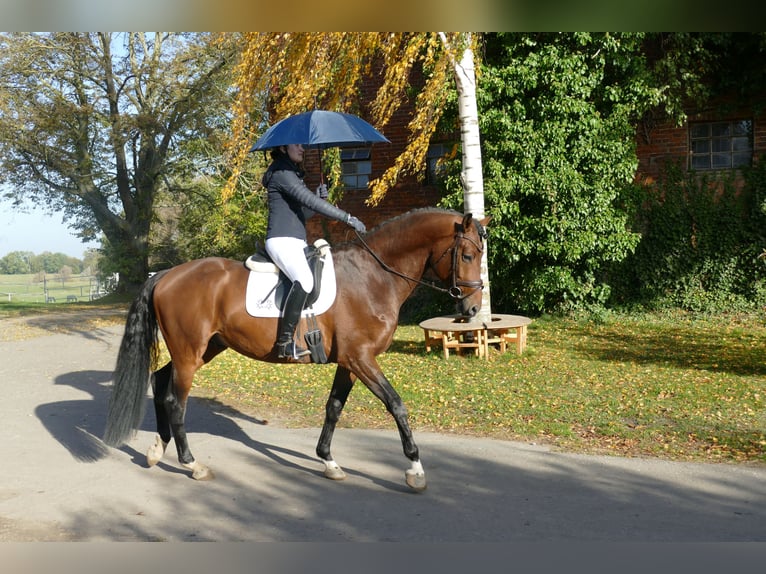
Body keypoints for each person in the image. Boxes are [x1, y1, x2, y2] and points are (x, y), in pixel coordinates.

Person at [261, 143, 366, 359]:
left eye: (303, 145)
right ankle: (284, 342)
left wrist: (320, 196)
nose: (302, 149)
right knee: (305, 281)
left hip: (296, 240)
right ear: (283, 148)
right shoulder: (282, 172)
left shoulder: (291, 173)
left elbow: (305, 214)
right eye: (297, 145)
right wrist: (347, 217)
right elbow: (310, 202)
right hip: (281, 240)